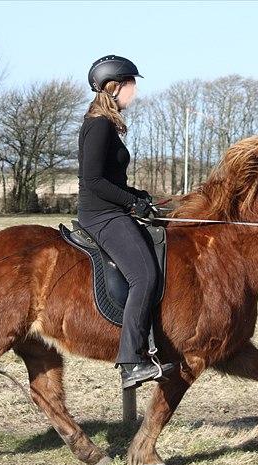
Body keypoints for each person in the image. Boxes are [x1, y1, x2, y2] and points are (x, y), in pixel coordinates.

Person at [77, 54, 176, 390]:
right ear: (114, 86)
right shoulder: (99, 124)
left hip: (112, 209)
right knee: (144, 275)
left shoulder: (105, 122)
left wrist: (139, 196)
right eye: (132, 83)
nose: (135, 90)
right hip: (101, 215)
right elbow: (93, 181)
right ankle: (131, 362)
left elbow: (111, 179)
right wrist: (130, 202)